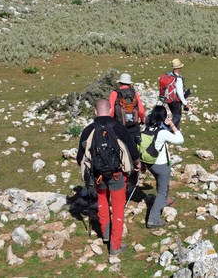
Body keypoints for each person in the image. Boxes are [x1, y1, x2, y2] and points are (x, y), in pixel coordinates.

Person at [77, 99, 141, 257]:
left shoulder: (88, 130)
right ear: (111, 109)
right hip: (116, 174)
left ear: (95, 111)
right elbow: (132, 150)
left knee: (102, 201)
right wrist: (137, 164)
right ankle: (115, 246)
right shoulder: (118, 127)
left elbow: (80, 157)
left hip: (98, 175)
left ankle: (105, 233)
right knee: (118, 208)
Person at [142, 106, 184, 228]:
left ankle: (164, 200)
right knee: (161, 191)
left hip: (150, 164)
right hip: (161, 165)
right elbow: (180, 139)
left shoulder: (146, 128)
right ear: (164, 117)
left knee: (161, 185)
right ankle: (153, 219)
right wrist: (171, 124)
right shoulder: (162, 132)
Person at [108, 73, 146, 145]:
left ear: (120, 83)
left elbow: (111, 110)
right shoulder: (134, 93)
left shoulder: (114, 93)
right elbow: (141, 110)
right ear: (129, 84)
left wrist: (110, 123)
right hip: (134, 127)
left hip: (119, 126)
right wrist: (143, 120)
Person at [161, 59, 191, 130]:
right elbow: (180, 92)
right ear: (179, 68)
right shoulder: (178, 78)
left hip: (168, 98)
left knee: (175, 116)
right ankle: (167, 130)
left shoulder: (168, 75)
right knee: (177, 117)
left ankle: (177, 131)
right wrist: (185, 103)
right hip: (175, 100)